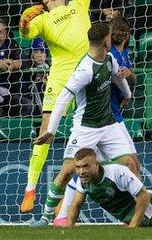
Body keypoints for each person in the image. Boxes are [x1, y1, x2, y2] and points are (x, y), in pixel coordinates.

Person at [18, 0, 91, 213]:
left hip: (88, 73)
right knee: (47, 127)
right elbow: (24, 36)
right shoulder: (44, 19)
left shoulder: (79, 3)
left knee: (85, 135)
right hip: (61, 76)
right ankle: (30, 188)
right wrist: (23, 23)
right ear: (45, 0)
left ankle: (66, 186)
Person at [29, 22, 135, 227]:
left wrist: (128, 95)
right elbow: (63, 98)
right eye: (110, 37)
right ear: (106, 41)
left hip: (109, 125)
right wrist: (51, 130)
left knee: (130, 164)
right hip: (86, 127)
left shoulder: (109, 59)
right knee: (67, 171)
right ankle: (46, 216)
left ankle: (138, 211)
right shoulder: (85, 70)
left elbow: (117, 76)